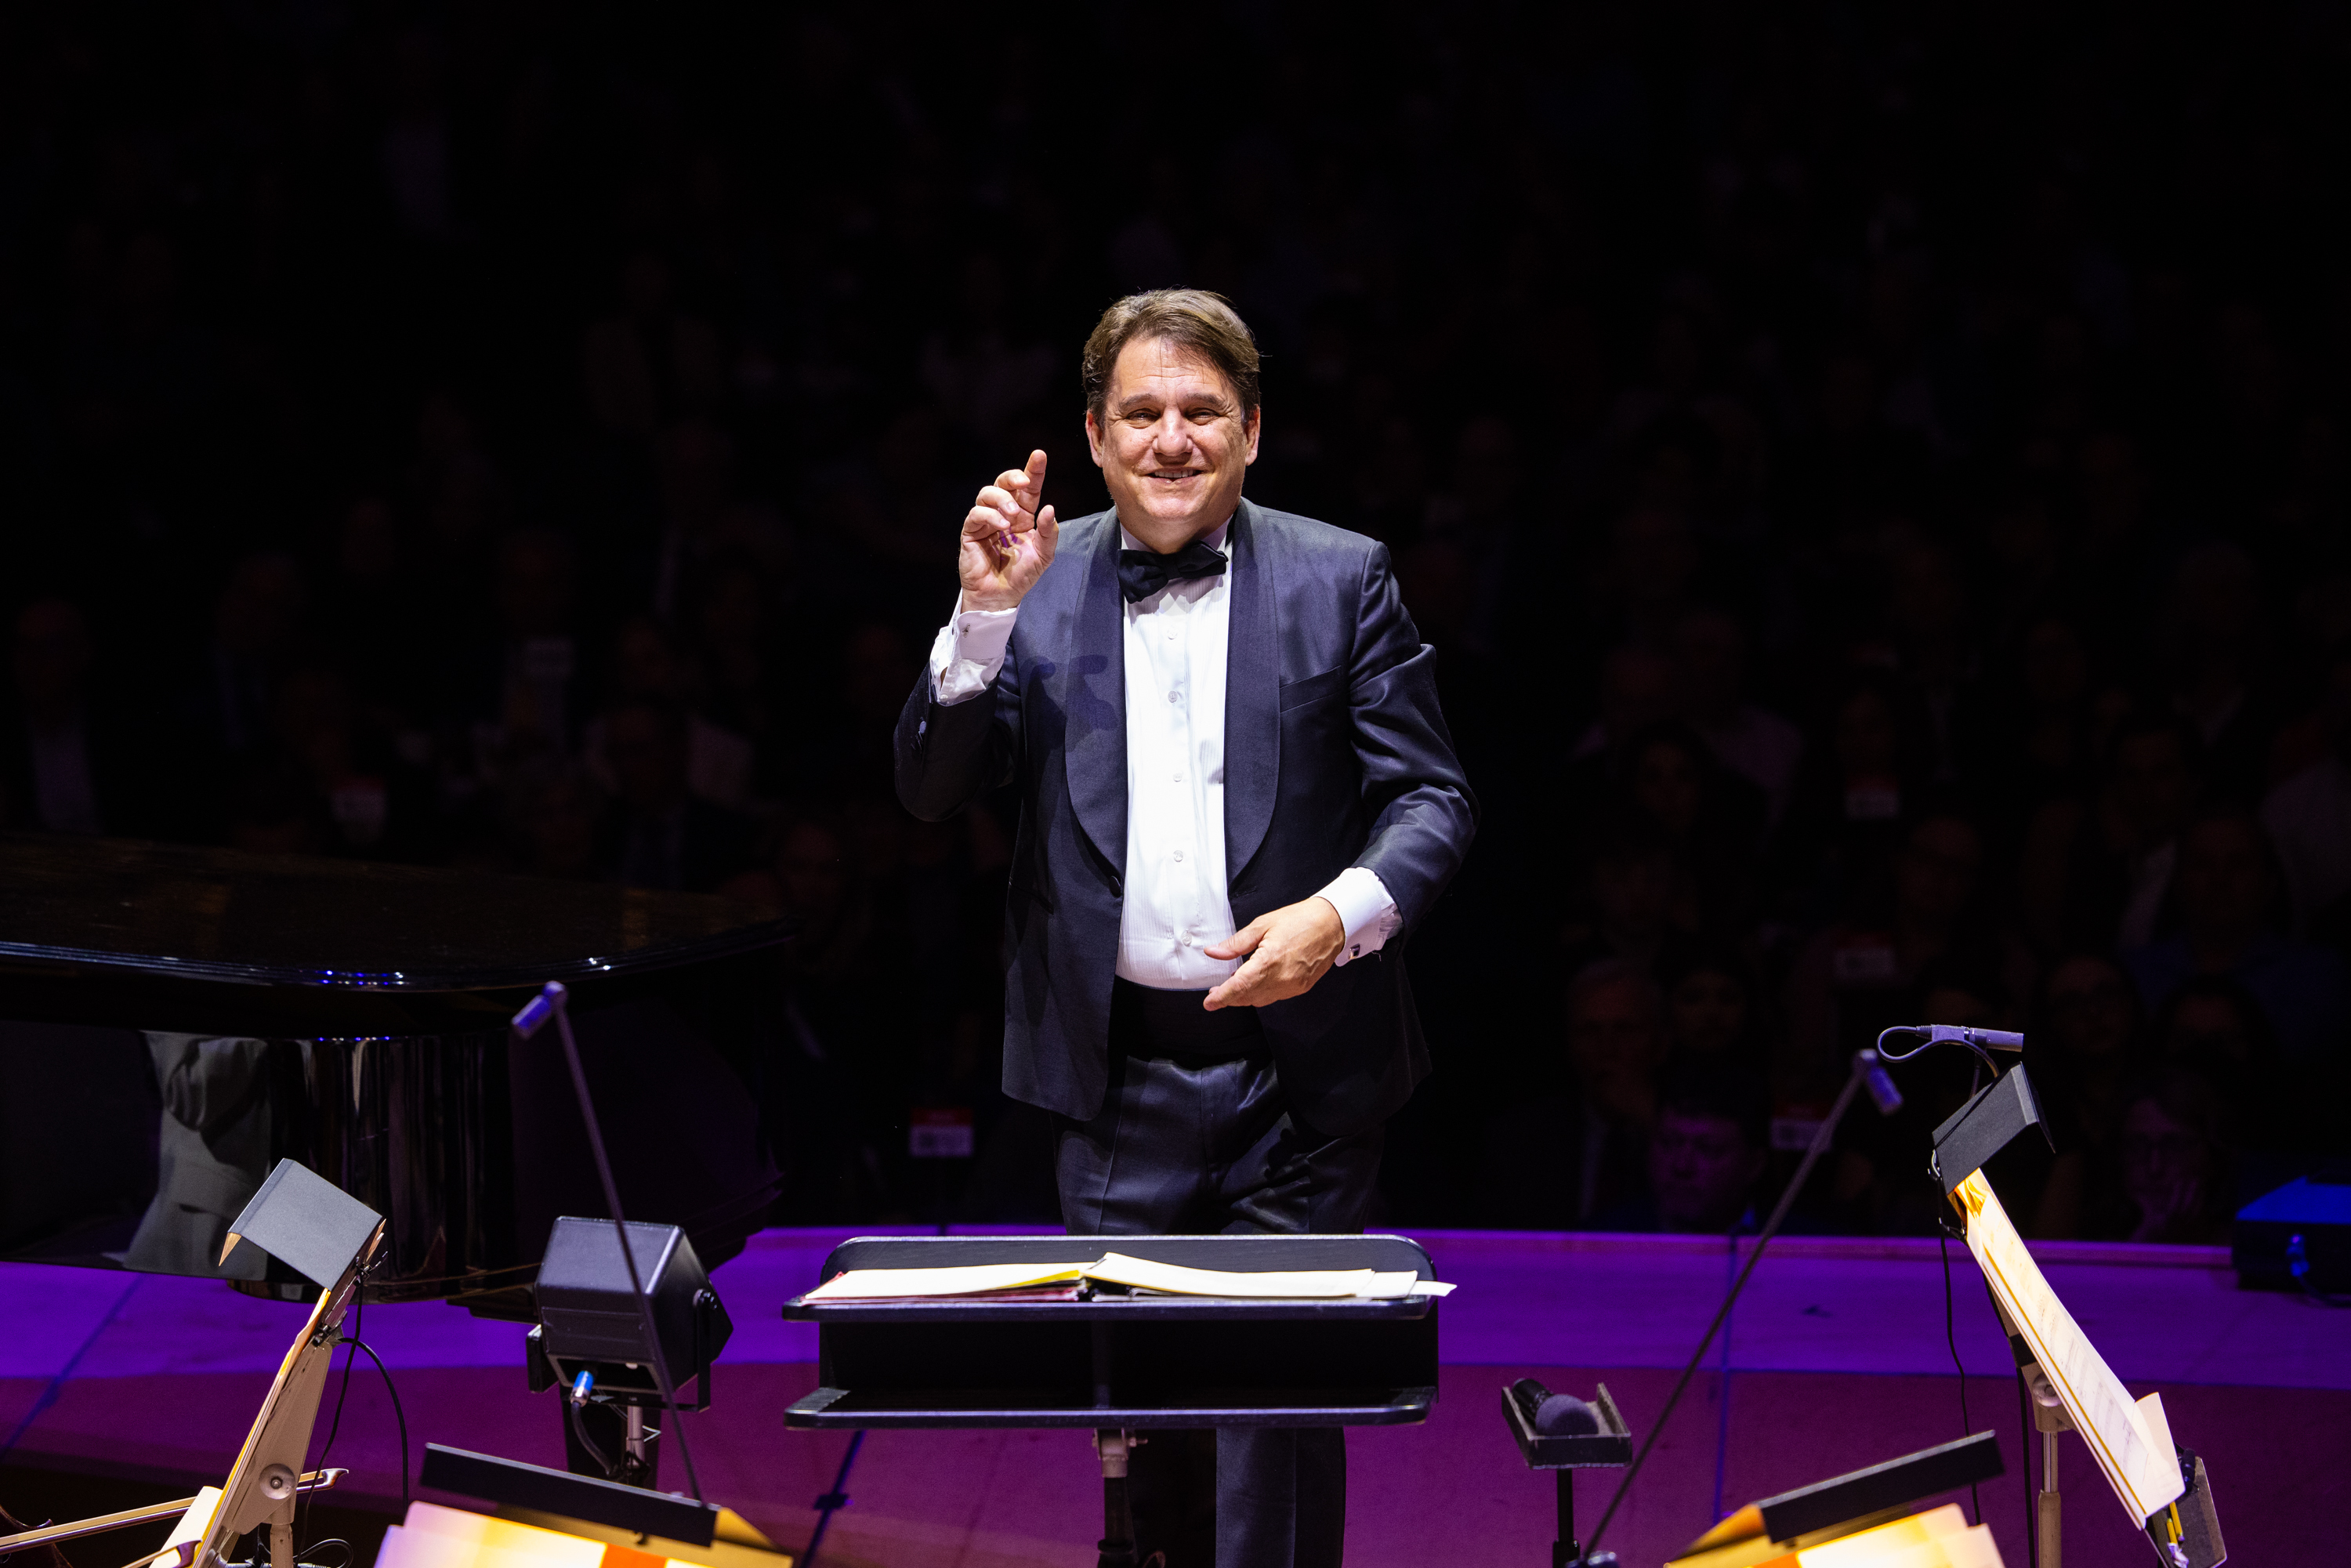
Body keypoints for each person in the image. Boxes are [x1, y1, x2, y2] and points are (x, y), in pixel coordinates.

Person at [895, 289, 1476, 1568]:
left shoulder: (1343, 574)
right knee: (1140, 1425)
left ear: (1253, 431)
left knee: (1274, 1412)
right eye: (1142, 413)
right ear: (1095, 439)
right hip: (1112, 1078)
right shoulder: (1029, 588)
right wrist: (981, 617)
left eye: (1202, 410)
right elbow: (932, 790)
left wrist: (1338, 914)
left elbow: (1433, 798)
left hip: (1303, 1075)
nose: (1173, 437)